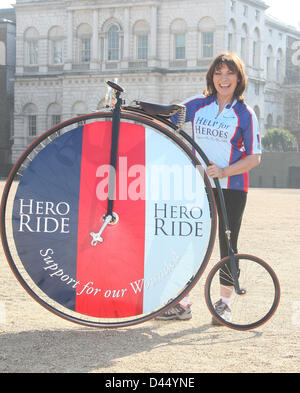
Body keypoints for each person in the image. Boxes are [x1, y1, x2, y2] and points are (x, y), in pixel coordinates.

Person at [156, 52, 261, 324]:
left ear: (238, 78)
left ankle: (224, 303)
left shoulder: (245, 113)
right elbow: (166, 117)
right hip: (198, 186)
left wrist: (225, 171)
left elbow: (254, 157)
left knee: (227, 244)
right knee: (190, 242)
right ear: (211, 77)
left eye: (229, 74)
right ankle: (183, 304)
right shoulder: (197, 104)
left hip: (233, 186)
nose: (223, 79)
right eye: (218, 73)